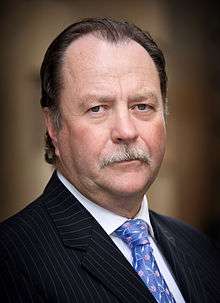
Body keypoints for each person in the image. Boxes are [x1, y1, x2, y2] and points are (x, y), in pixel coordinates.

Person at [0, 17, 219, 303]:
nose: (126, 132)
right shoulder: (10, 263)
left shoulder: (201, 249)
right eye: (97, 108)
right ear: (53, 126)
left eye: (142, 106)